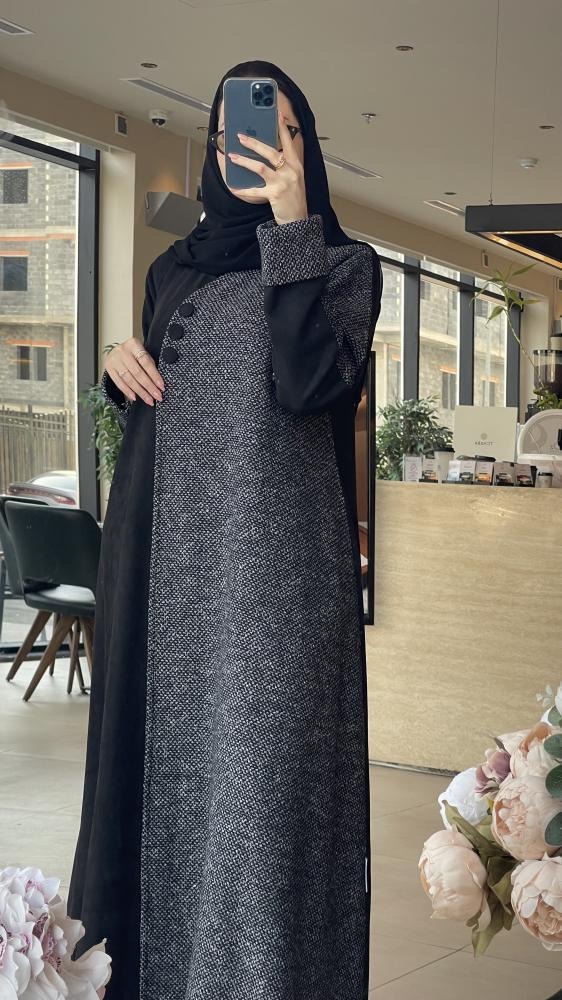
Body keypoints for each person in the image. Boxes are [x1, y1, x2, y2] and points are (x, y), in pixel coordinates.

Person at [67, 58, 383, 1000]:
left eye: (274, 131)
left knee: (260, 820)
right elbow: (169, 398)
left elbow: (310, 383)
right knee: (163, 796)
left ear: (304, 144)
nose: (249, 148)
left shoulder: (346, 267)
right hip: (165, 577)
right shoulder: (175, 267)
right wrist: (120, 364)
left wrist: (293, 228)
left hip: (275, 597)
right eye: (231, 133)